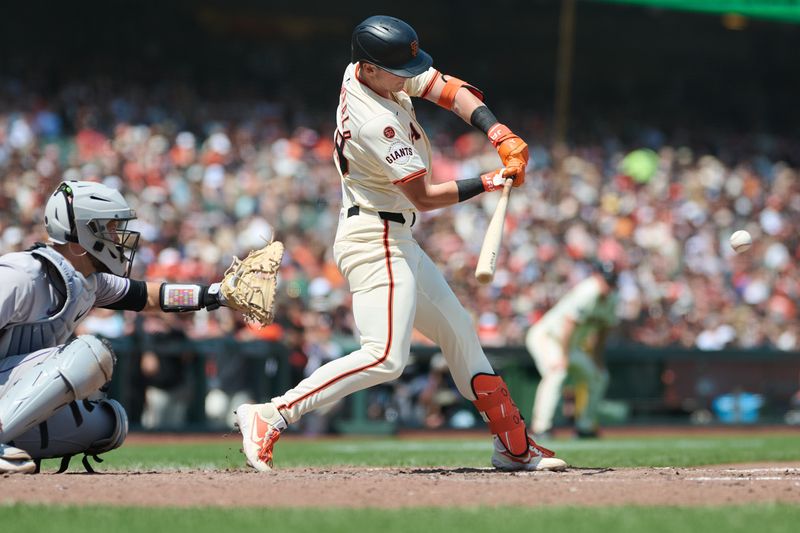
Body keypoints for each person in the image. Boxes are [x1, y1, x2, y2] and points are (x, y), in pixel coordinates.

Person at [234, 15, 566, 472]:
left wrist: (497, 132)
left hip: (394, 234)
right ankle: (270, 414)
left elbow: (445, 88)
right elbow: (424, 196)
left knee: (460, 333)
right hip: (374, 238)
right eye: (399, 72)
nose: (411, 79)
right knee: (386, 357)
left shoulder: (368, 73)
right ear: (369, 69)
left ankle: (513, 445)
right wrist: (490, 180)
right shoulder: (374, 122)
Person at [0, 180, 232, 474]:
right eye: (109, 227)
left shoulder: (85, 281)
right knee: (92, 351)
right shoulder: (21, 275)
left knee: (110, 424)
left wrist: (216, 295)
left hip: (9, 393)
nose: (118, 236)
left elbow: (150, 296)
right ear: (81, 237)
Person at [526, 262, 619, 439]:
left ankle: (585, 427)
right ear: (596, 277)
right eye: (606, 281)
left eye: (612, 282)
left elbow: (603, 331)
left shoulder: (613, 297)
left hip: (570, 345)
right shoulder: (587, 292)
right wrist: (564, 355)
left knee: (599, 376)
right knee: (557, 372)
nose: (608, 286)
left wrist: (597, 359)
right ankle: (540, 428)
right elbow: (568, 324)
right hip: (548, 338)